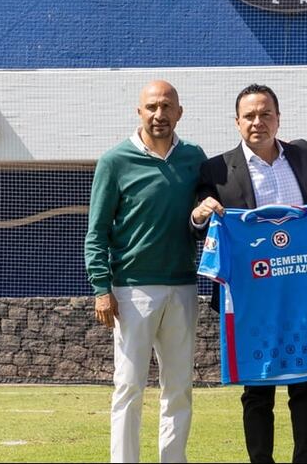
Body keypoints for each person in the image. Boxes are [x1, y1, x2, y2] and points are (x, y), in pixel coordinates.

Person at [191, 83, 307, 464]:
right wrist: (200, 214)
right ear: (237, 122)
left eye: (265, 114)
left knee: (305, 383)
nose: (258, 122)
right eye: (249, 116)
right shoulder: (217, 169)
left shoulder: (303, 156)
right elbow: (197, 222)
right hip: (249, 296)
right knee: (257, 389)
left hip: (300, 290)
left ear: (278, 118)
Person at [84, 80, 207, 463]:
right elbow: (96, 232)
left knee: (179, 388)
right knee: (128, 387)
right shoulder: (114, 161)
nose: (160, 114)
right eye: (152, 107)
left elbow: (198, 220)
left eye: (167, 106)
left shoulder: (194, 158)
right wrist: (102, 288)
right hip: (131, 292)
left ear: (179, 112)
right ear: (139, 112)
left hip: (184, 288)